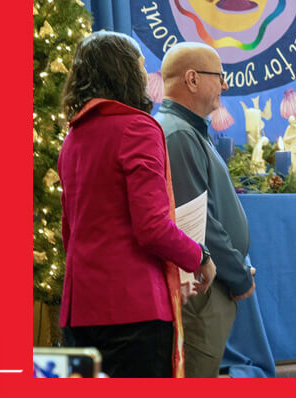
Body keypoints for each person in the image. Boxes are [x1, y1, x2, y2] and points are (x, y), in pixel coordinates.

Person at [57, 32, 216, 378]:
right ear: (125, 71)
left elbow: (69, 232)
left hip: (80, 309)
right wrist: (199, 257)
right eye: (142, 65)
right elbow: (152, 227)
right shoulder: (137, 129)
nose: (147, 75)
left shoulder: (73, 137)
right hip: (135, 312)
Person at [156, 42, 256, 378]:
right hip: (203, 289)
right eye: (220, 77)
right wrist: (238, 275)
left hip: (211, 281)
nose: (226, 85)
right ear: (192, 79)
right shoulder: (179, 134)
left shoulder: (188, 129)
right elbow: (198, 226)